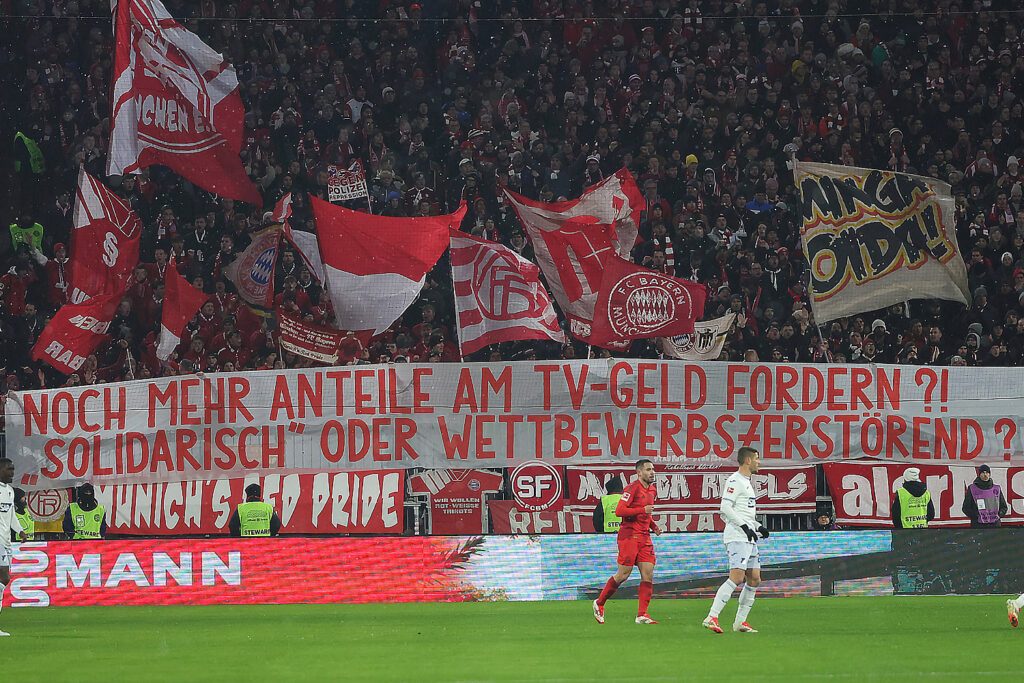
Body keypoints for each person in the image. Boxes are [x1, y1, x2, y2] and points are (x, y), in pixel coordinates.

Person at [703, 447, 768, 634]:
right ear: (748, 460)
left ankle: (740, 622)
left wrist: (756, 526)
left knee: (754, 578)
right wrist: (744, 527)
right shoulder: (735, 480)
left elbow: (742, 513)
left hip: (748, 536)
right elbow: (725, 507)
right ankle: (711, 617)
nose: (759, 462)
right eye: (757, 458)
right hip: (738, 536)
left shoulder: (746, 482)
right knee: (737, 577)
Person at [592, 460, 661, 625]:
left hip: (644, 537)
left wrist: (654, 526)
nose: (652, 472)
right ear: (639, 473)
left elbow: (646, 514)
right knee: (623, 574)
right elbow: (619, 511)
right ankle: (599, 603)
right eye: (648, 470)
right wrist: (642, 510)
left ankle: (642, 615)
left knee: (648, 574)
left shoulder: (652, 490)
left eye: (653, 469)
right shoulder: (632, 488)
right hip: (629, 536)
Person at [0, 458, 27, 636]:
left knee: (3, 581)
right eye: (9, 469)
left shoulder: (9, 491)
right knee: (4, 578)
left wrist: (21, 531)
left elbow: (12, 517)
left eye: (13, 468)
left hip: (5, 542)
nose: (12, 472)